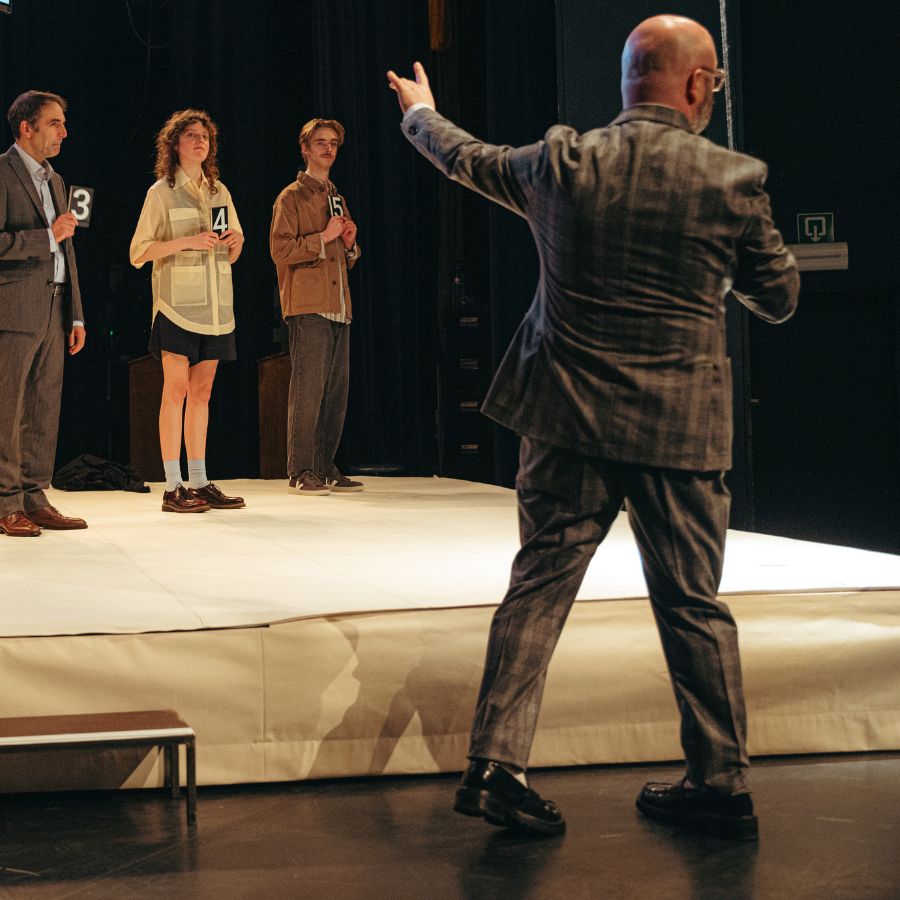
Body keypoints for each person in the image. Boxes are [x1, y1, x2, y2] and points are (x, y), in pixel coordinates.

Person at [388, 13, 799, 840]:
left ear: (628, 80)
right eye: (712, 83)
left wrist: (419, 113)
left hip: (567, 415)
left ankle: (496, 765)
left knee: (538, 587)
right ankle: (719, 780)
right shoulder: (732, 179)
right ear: (693, 84)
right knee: (693, 605)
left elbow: (464, 159)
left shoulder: (564, 162)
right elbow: (779, 296)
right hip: (680, 430)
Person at [130, 109, 245, 513]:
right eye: (191, 135)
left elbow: (235, 250)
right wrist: (187, 242)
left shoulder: (220, 192)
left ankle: (199, 481)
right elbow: (139, 252)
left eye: (205, 137)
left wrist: (233, 241)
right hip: (177, 306)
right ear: (175, 143)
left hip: (215, 307)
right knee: (175, 391)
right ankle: (172, 486)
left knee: (202, 393)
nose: (200, 141)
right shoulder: (160, 192)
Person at [0, 90, 88, 537]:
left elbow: (66, 247)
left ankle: (34, 496)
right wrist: (44, 236)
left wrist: (76, 314)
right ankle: (5, 501)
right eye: (54, 123)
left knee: (43, 405)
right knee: (7, 407)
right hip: (13, 308)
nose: (64, 132)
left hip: (55, 306)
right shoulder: (2, 172)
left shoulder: (55, 181)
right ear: (26, 128)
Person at [270, 118, 364, 496]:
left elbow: (344, 257)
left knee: (335, 391)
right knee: (308, 389)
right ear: (305, 149)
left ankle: (325, 466)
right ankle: (301, 469)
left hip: (339, 303)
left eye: (333, 143)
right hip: (308, 304)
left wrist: (350, 245)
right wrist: (322, 237)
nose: (328, 149)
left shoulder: (336, 197)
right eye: (320, 143)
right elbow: (280, 251)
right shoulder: (290, 197)